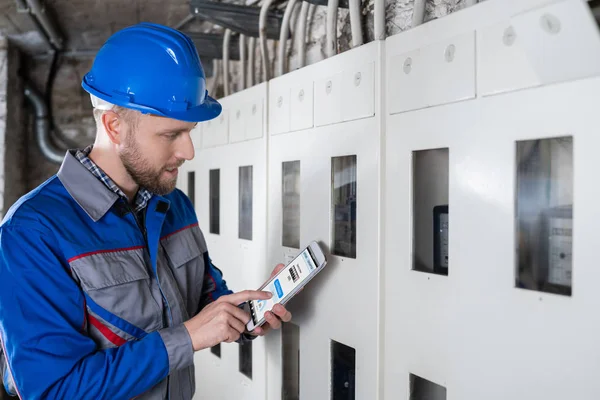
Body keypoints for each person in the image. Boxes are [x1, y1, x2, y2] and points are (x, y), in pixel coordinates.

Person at [0, 22, 291, 400]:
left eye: (189, 132)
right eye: (171, 135)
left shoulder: (173, 205)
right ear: (114, 126)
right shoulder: (33, 232)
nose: (188, 152)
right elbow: (53, 389)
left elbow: (207, 302)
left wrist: (250, 313)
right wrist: (186, 338)